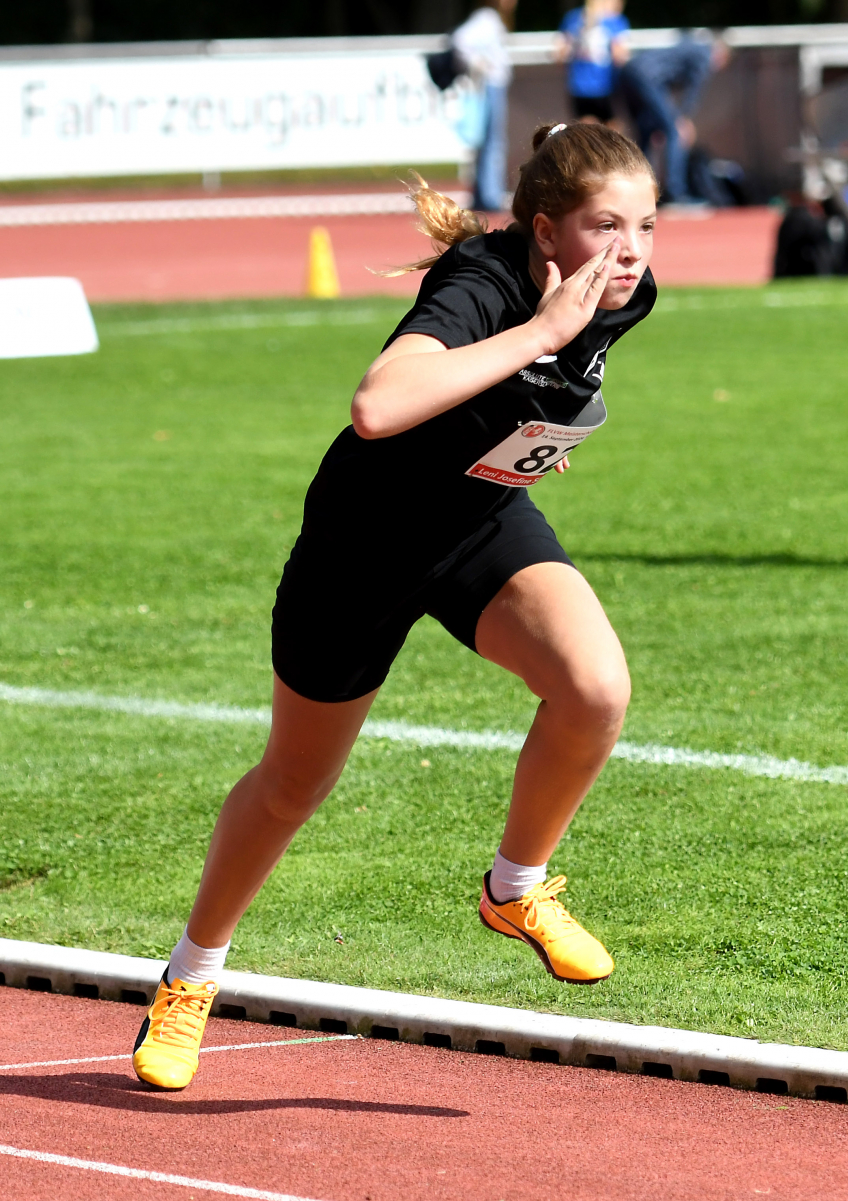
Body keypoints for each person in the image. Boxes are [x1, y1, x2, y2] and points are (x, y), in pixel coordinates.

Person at [132, 121, 659, 1091]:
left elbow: (531, 396)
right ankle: (190, 974)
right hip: (362, 549)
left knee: (595, 687)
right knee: (293, 786)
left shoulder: (627, 293)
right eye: (605, 226)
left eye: (648, 225)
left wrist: (541, 422)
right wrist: (536, 338)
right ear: (545, 233)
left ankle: (517, 889)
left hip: (479, 524)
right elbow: (377, 406)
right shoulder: (481, 283)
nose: (631, 251)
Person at [620, 33, 731, 206]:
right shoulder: (705, 54)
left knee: (645, 132)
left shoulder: (688, 47)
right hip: (647, 78)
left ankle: (636, 189)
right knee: (674, 132)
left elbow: (666, 84)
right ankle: (675, 192)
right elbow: (695, 89)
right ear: (721, 55)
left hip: (631, 73)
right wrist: (683, 119)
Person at [452, 0, 517, 212]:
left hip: (492, 85)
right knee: (493, 142)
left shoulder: (492, 19)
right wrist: (480, 65)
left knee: (488, 142)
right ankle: (490, 196)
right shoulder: (487, 18)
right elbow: (460, 40)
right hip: (491, 86)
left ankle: (483, 194)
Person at [557, 0, 630, 126]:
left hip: (587, 86)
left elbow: (560, 56)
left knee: (587, 132)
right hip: (599, 87)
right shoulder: (614, 21)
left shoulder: (572, 18)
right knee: (608, 132)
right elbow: (620, 57)